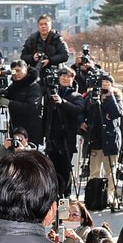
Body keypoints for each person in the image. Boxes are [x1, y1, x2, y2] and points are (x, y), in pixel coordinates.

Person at [43, 67, 85, 195]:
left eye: (69, 77)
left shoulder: (76, 95)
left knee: (65, 170)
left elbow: (77, 110)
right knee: (52, 170)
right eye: (63, 76)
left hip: (67, 139)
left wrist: (62, 102)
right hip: (52, 139)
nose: (66, 79)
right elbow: (46, 114)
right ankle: (54, 195)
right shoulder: (50, 94)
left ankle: (65, 196)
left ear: (73, 79)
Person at [0, 60, 45, 147]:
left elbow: (32, 107)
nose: (16, 73)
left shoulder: (34, 86)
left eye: (18, 70)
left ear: (26, 69)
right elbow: (0, 102)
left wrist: (10, 103)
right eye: (13, 71)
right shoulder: (13, 87)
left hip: (31, 130)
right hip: (15, 129)